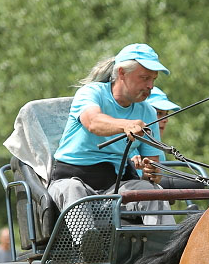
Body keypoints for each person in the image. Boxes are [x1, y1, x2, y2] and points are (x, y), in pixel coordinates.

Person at [50, 43, 171, 224]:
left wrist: (152, 172)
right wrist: (126, 125)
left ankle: (166, 247)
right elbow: (93, 122)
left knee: (152, 193)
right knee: (73, 191)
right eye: (145, 78)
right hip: (70, 181)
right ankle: (89, 247)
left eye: (153, 79)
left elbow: (154, 167)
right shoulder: (91, 93)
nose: (150, 86)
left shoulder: (147, 111)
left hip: (116, 187)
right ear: (122, 73)